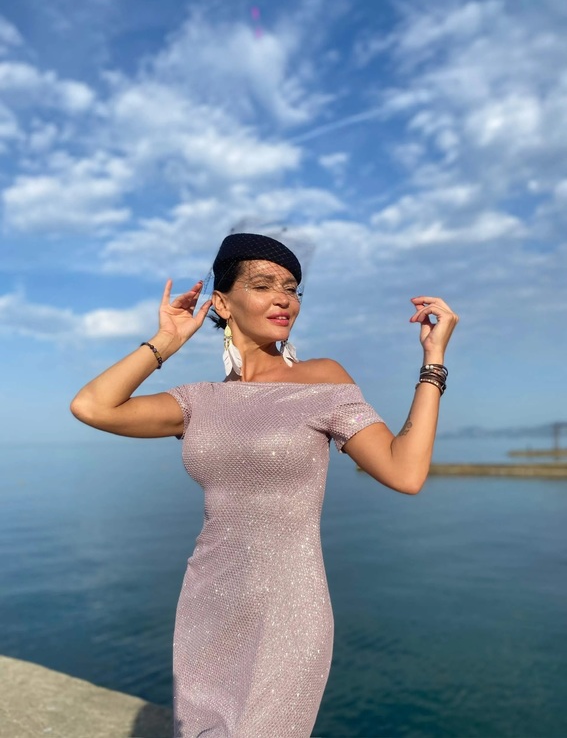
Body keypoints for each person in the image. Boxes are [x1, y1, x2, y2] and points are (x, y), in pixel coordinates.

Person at [70, 231, 458, 738]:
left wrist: (433, 364)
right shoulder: (198, 402)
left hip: (288, 612)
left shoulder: (322, 379)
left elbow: (404, 471)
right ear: (222, 303)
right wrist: (166, 341)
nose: (284, 298)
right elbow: (93, 407)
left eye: (292, 288)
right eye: (263, 285)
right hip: (209, 603)